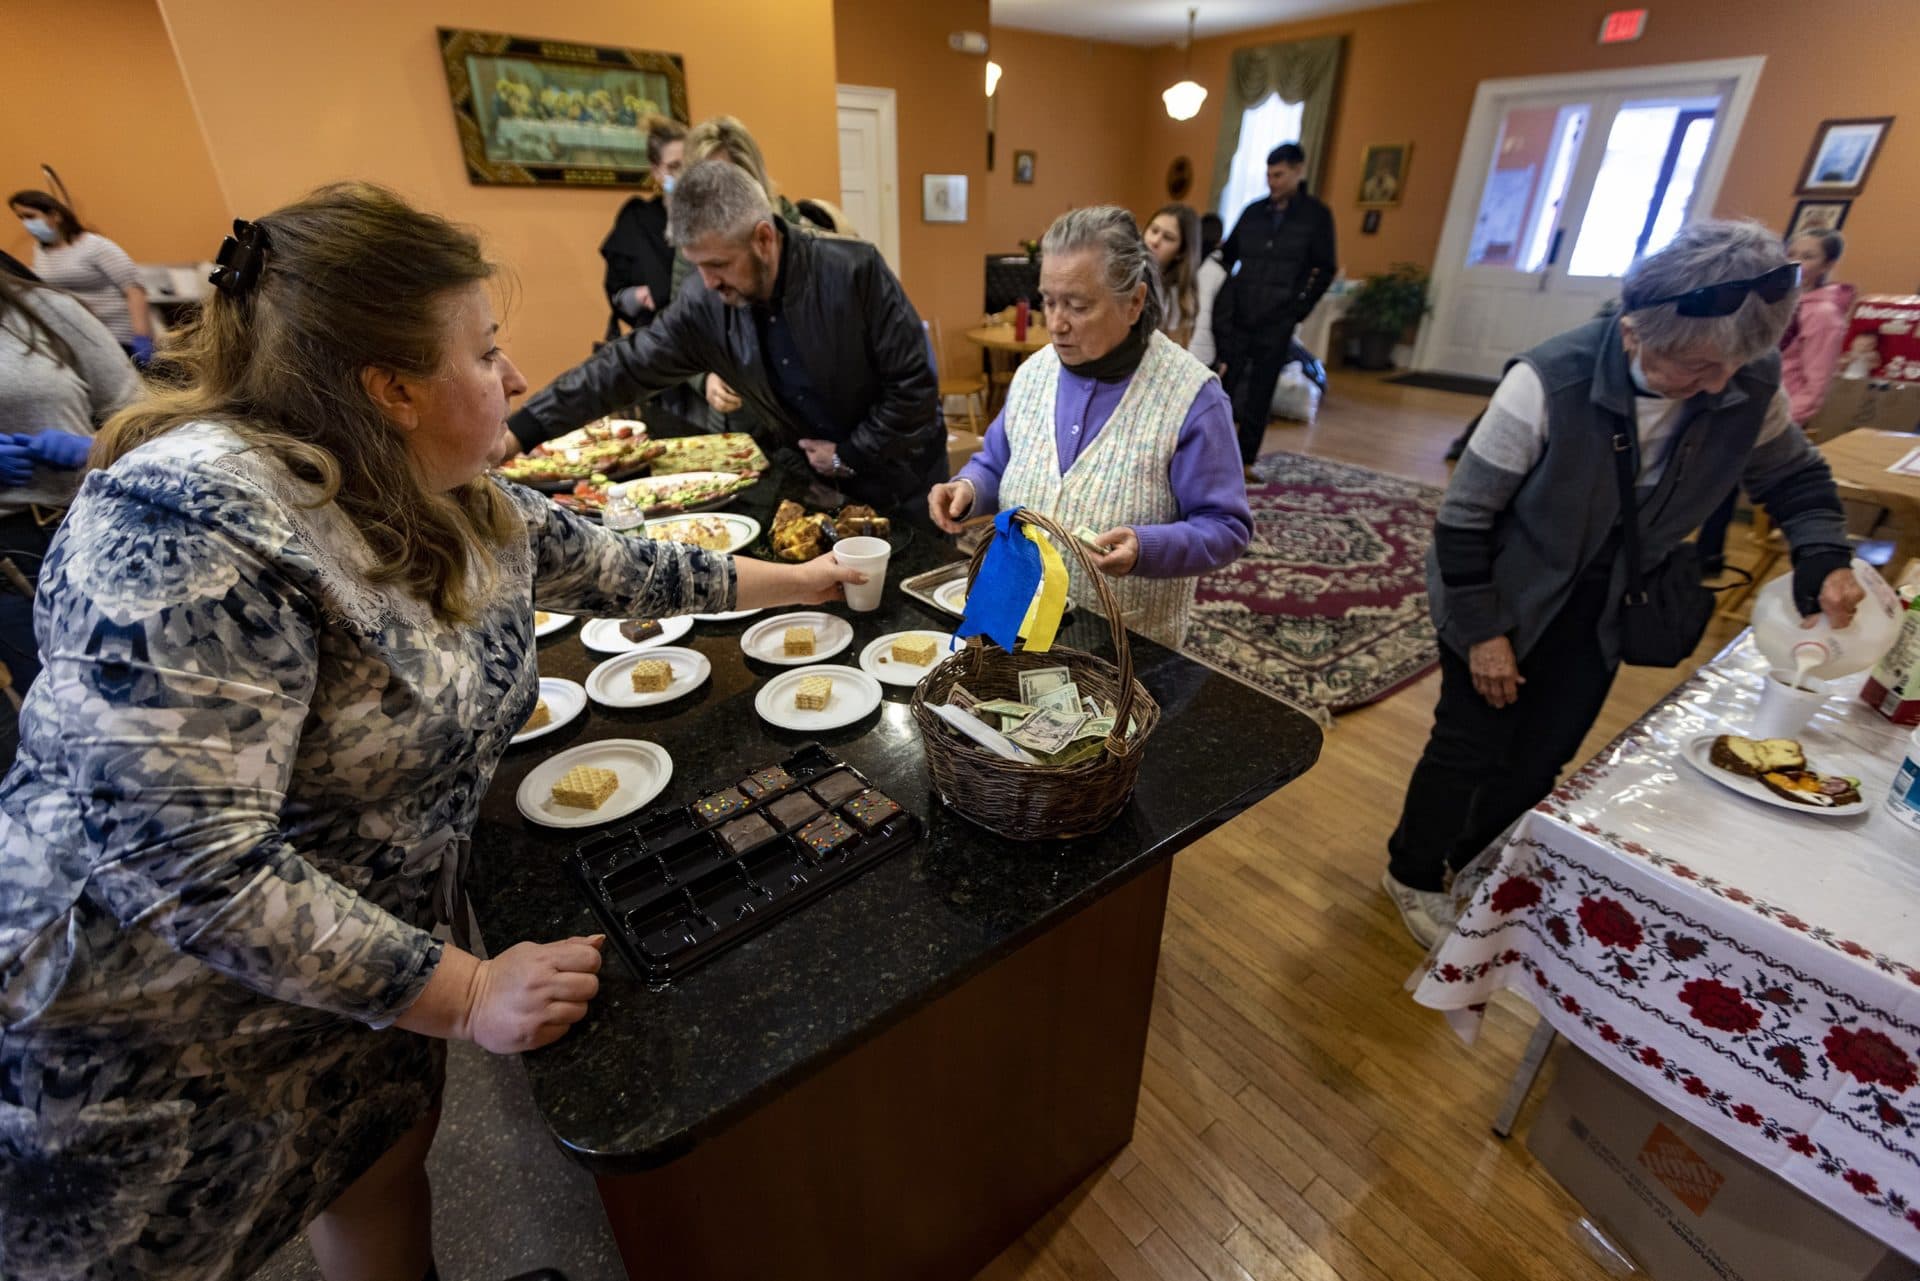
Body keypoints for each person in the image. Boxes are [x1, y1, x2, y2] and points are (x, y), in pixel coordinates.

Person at [0, 182, 862, 1280]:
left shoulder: (442, 485)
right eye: (487, 350)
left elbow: (625, 565)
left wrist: (804, 582)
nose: (512, 378)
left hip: (357, 975)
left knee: (370, 1175)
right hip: (143, 1043)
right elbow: (185, 869)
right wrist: (467, 991)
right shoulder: (186, 521)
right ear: (390, 387)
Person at [1381, 221, 1866, 948]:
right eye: (1699, 368)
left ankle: (1480, 859)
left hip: (1611, 599)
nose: (1720, 384)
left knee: (1546, 750)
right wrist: (1484, 634)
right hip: (1504, 588)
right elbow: (1463, 522)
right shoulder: (1550, 380)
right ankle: (1414, 872)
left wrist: (1824, 555)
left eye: (1734, 366)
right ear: (1637, 334)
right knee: (1470, 742)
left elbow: (1793, 476)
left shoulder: (1742, 374)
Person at [504, 161, 944, 512]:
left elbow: (915, 389)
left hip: (901, 480)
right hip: (816, 484)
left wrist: (850, 454)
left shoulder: (854, 271)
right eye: (698, 266)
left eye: (719, 264)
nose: (708, 281)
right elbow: (621, 368)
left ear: (764, 238)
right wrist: (519, 433)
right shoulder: (705, 302)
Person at [926, 206, 1251, 647]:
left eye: (1078, 306)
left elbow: (1226, 527)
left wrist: (1146, 547)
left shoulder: (1192, 398)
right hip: (1018, 628)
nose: (1056, 324)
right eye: (1048, 300)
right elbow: (995, 461)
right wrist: (968, 487)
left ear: (1134, 302)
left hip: (1124, 648)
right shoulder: (1034, 373)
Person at [0, 269, 139, 734]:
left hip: (97, 523)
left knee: (141, 680)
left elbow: (141, 415)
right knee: (60, 706)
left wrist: (95, 447)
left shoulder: (46, 311)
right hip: (8, 555)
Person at [1695, 228, 1855, 574]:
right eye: (1792, 251)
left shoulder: (1823, 313)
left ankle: (1709, 556)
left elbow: (1817, 379)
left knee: (1724, 479)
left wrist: (1785, 420)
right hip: (1740, 399)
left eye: (1808, 256)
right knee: (1716, 480)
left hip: (1776, 410)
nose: (1795, 261)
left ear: (1828, 263)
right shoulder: (1774, 299)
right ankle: (1707, 553)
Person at [1212, 145, 1337, 477]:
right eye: (1268, 174)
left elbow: (1325, 268)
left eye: (1279, 174)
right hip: (1241, 313)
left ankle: (1246, 460)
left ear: (1298, 171)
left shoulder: (1315, 217)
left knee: (1261, 390)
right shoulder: (1253, 213)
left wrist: (1299, 309)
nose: (1273, 181)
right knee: (1226, 386)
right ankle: (1214, 457)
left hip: (1278, 318)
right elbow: (1229, 256)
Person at [8, 191, 155, 364]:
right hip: (82, 339)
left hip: (118, 338)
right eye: (21, 218)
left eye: (30, 216)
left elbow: (134, 289)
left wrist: (142, 338)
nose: (27, 224)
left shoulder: (95, 246)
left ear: (55, 215)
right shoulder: (41, 251)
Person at [599, 115, 687, 339]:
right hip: (659, 342)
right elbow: (617, 293)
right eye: (674, 167)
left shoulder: (712, 215)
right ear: (656, 171)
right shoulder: (638, 219)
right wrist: (639, 296)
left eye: (691, 165)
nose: (684, 175)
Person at [1144, 203, 1201, 347]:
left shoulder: (1177, 296)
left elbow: (1171, 353)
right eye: (1154, 230)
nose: (1155, 241)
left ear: (1181, 252)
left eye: (1168, 238)